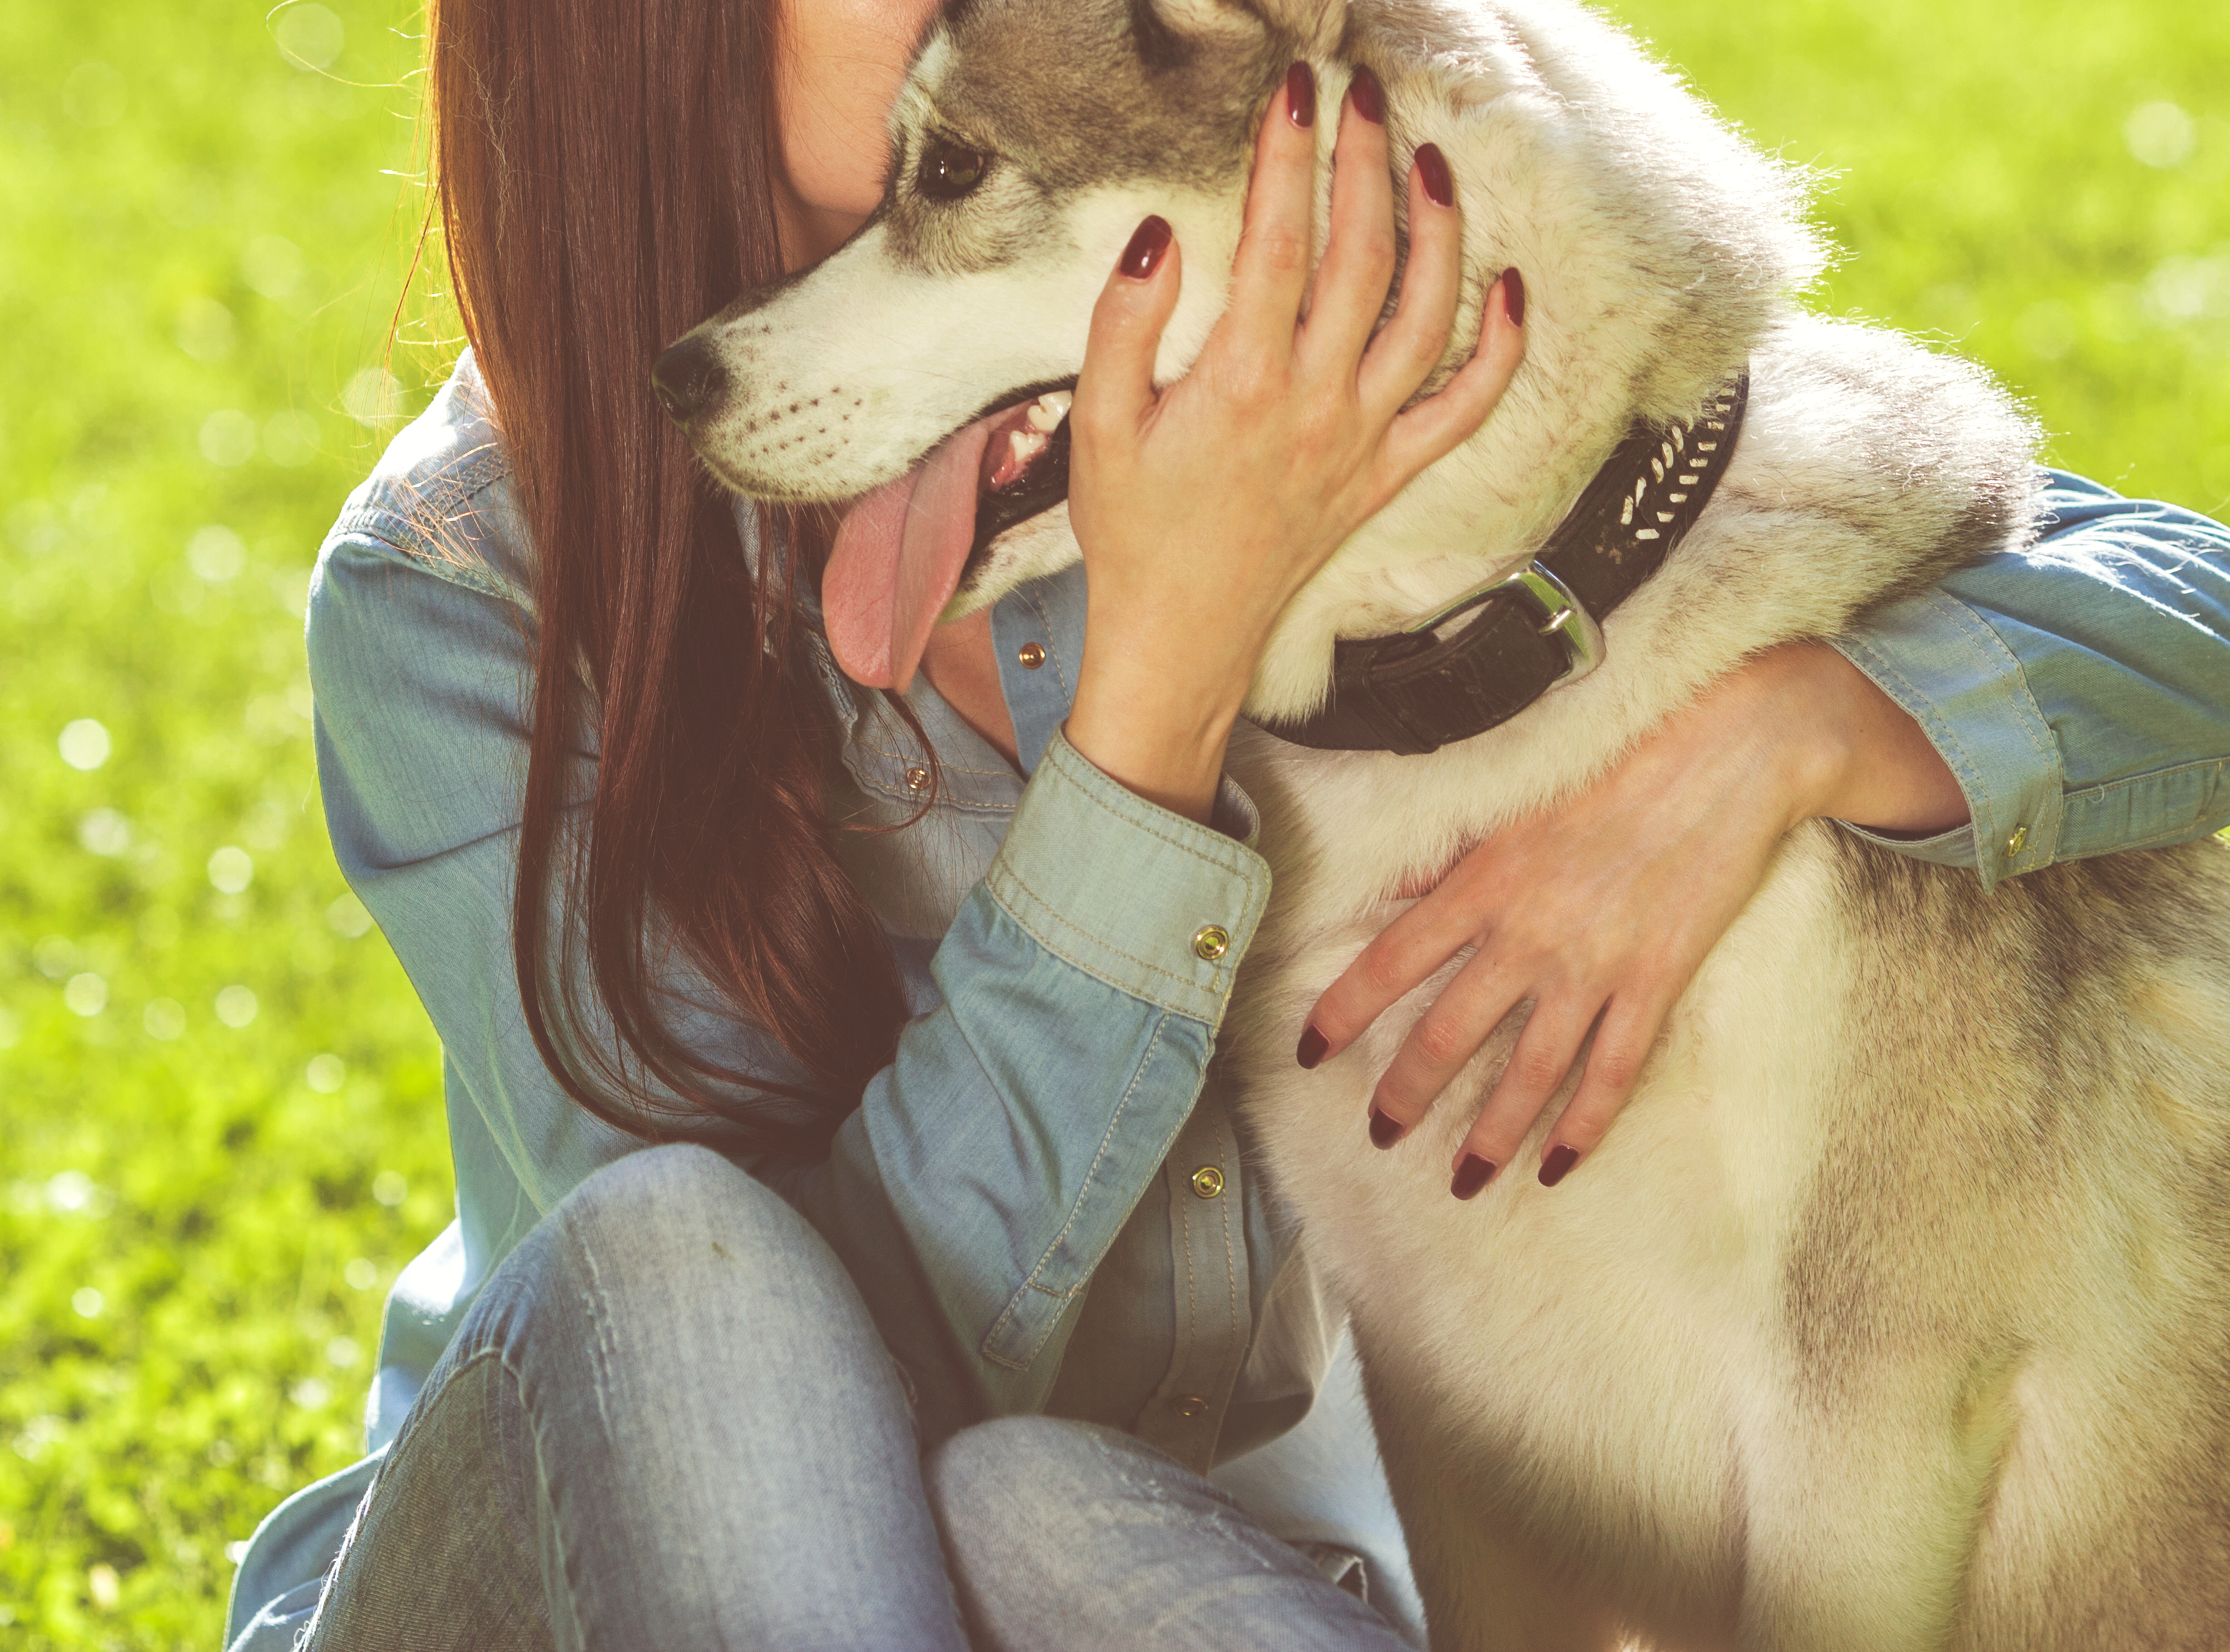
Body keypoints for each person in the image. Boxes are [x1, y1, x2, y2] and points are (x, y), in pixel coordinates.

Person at [224, 0, 2230, 1646]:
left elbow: (2169, 594)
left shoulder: (1246, 349)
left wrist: (1799, 725)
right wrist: (1156, 701)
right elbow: (786, 1423)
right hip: (582, 1576)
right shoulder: (463, 584)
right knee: (680, 1260)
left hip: (1140, 1558)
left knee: (1046, 1514)